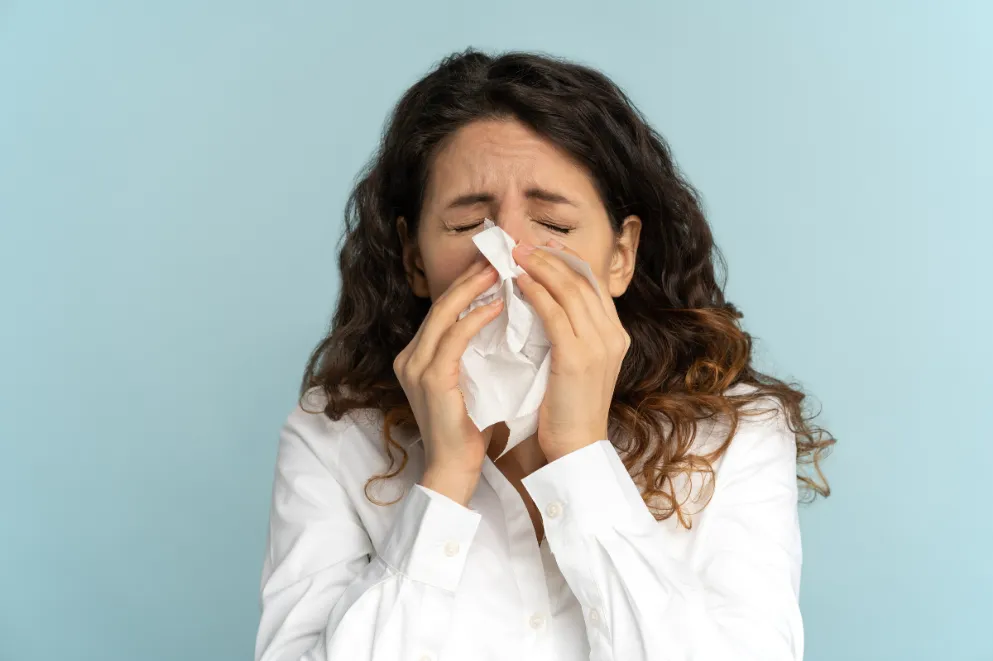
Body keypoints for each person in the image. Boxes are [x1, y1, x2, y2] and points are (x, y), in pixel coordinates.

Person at [254, 48, 834, 661]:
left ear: (620, 255)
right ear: (413, 258)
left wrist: (582, 456)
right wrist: (445, 483)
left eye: (554, 227)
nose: (506, 257)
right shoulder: (334, 437)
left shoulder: (735, 434)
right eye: (467, 226)